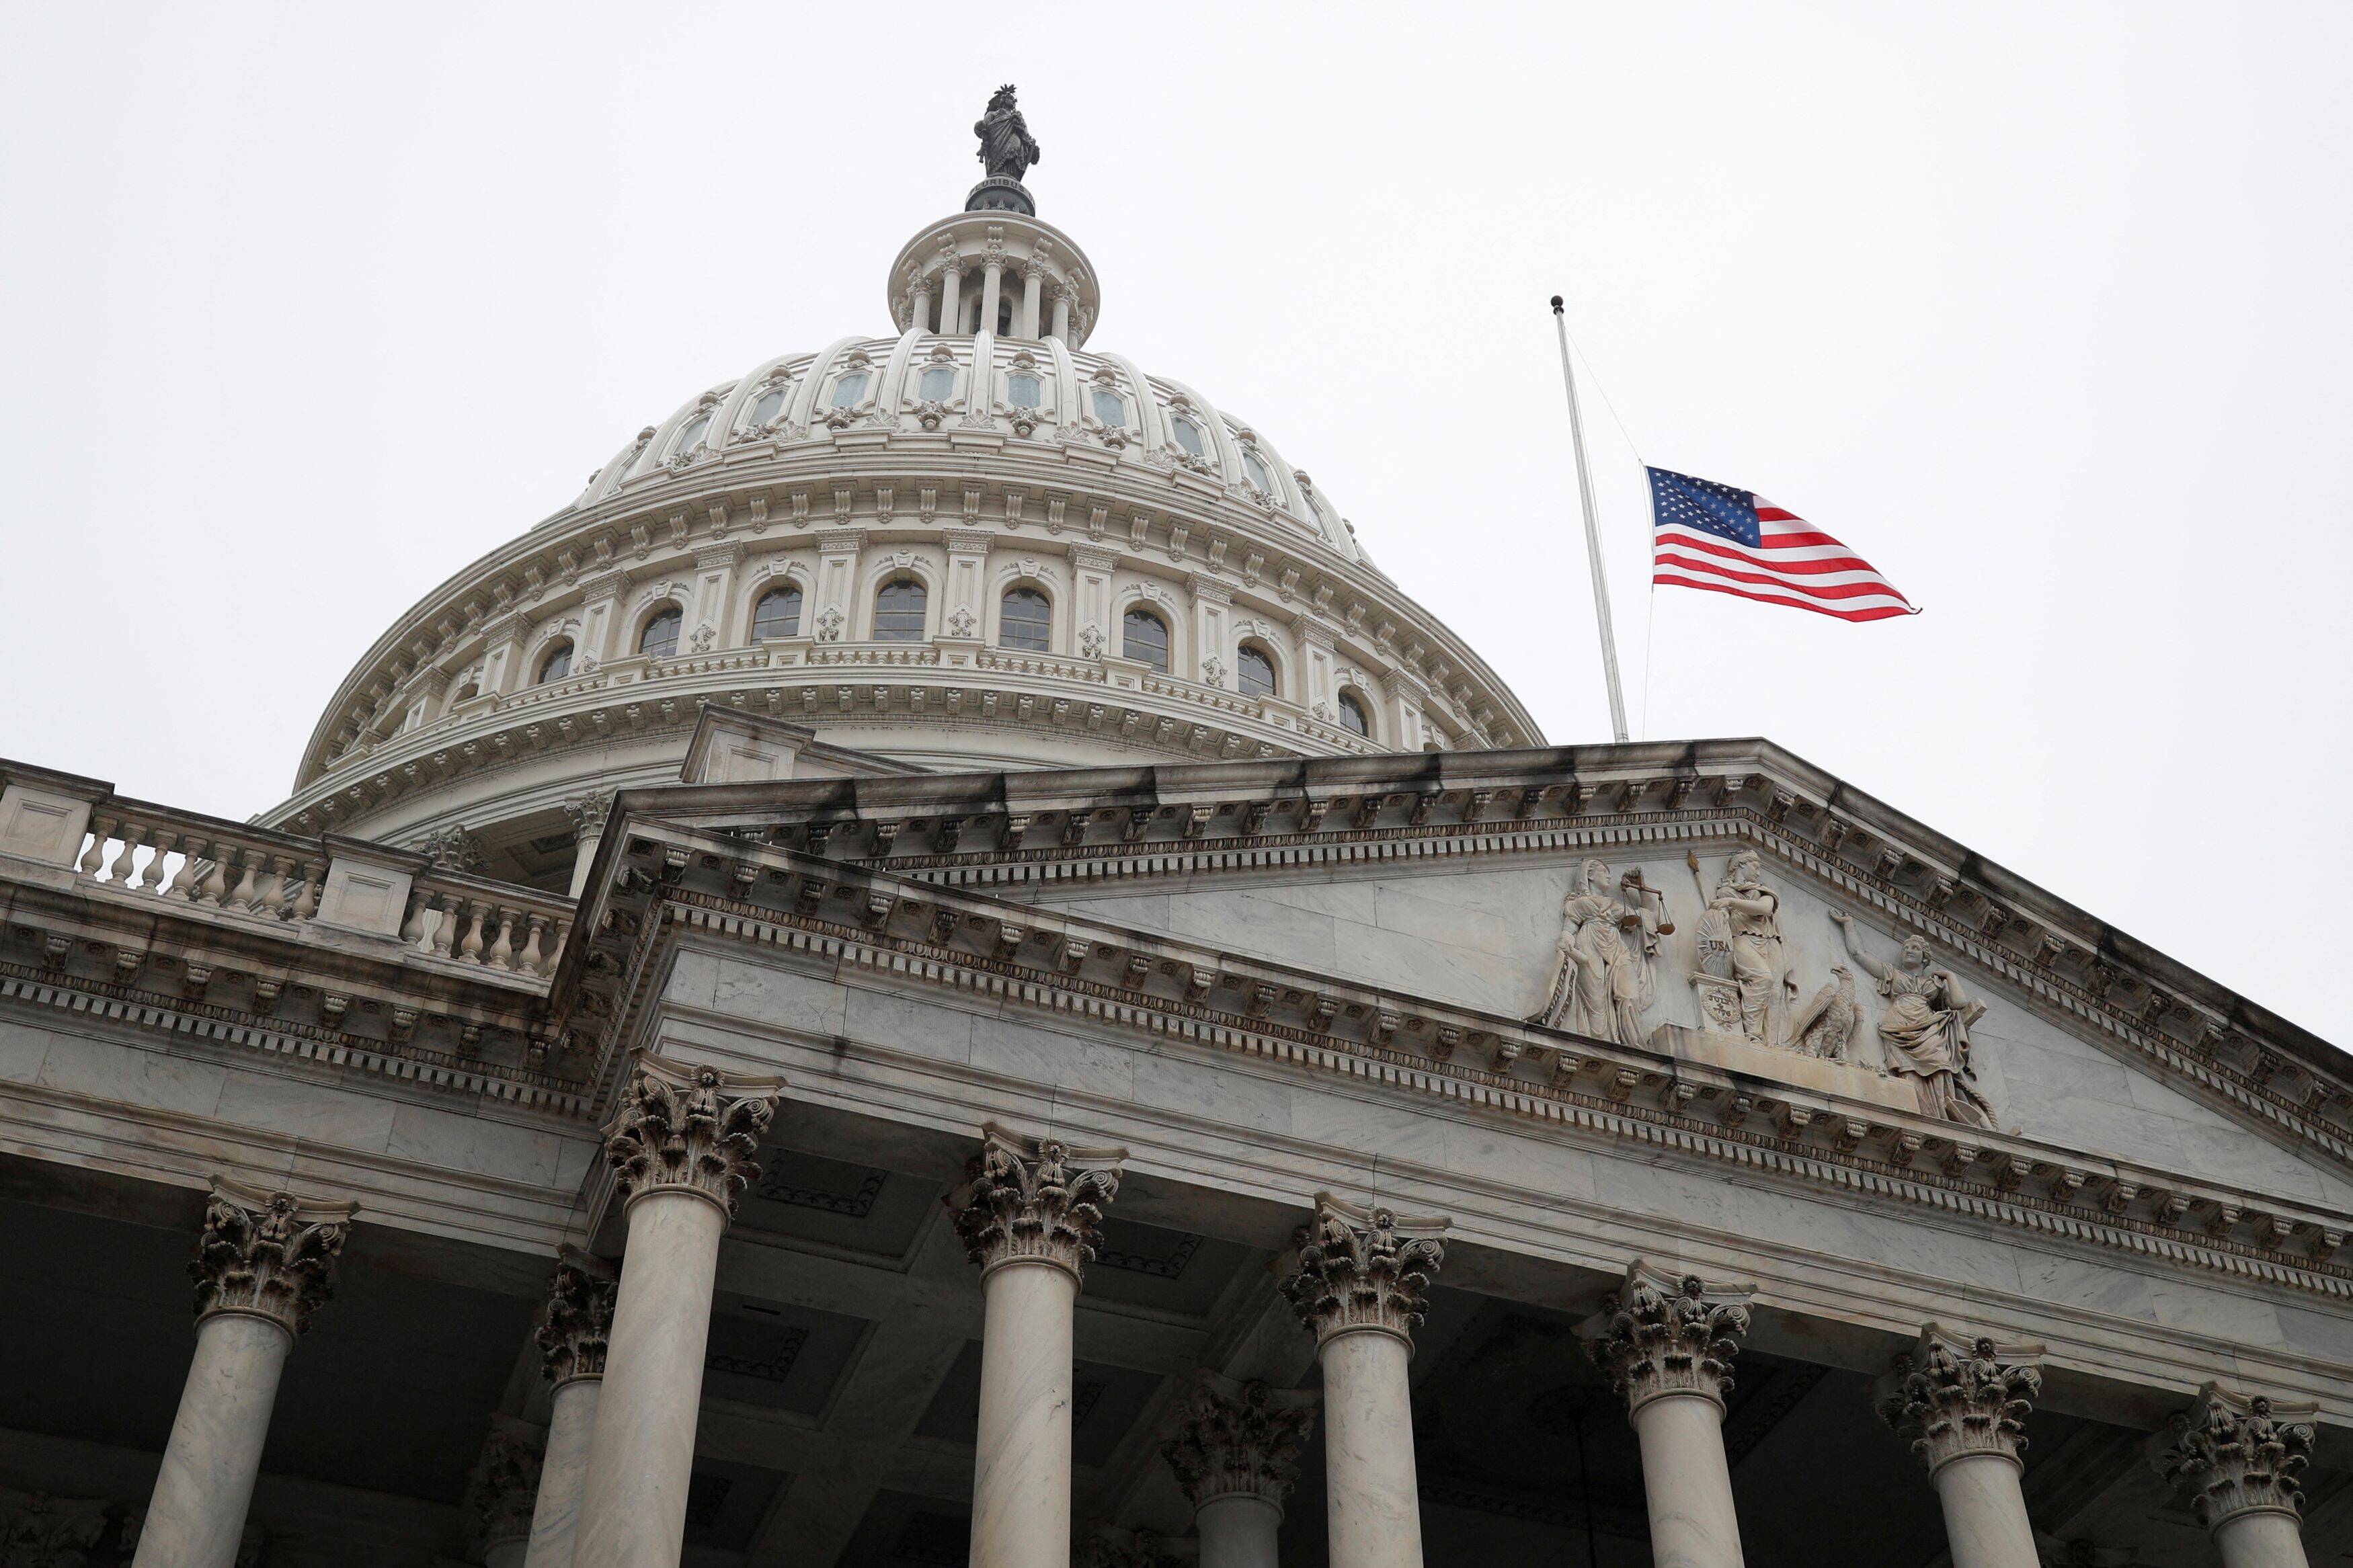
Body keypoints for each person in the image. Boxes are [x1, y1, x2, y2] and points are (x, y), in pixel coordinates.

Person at [1830, 911, 1997, 1127]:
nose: (1909, 951)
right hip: (1900, 1028)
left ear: (1925, 957)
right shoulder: (1892, 974)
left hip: (1929, 1029)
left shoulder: (1934, 984)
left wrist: (1950, 976)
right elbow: (1857, 954)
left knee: (1941, 1067)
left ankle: (1942, 1117)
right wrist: (1849, 924)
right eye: (1906, 948)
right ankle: (1921, 1114)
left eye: (1915, 948)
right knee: (1909, 1073)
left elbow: (1958, 1003)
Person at [1533, 859, 1665, 1047]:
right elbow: (1568, 930)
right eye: (1604, 871)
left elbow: (1652, 918)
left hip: (1617, 949)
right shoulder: (1579, 904)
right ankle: (1602, 1044)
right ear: (1589, 875)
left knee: (1630, 995)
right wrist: (1566, 943)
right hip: (1589, 945)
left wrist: (1641, 889)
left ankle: (1635, 1045)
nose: (1609, 875)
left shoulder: (1616, 905)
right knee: (1596, 1004)